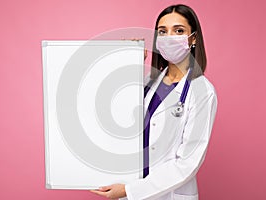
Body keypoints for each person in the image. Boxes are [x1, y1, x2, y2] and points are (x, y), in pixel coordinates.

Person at [90, 4, 217, 200]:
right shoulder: (151, 80)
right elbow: (117, 116)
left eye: (179, 30)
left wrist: (128, 191)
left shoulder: (202, 91)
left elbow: (187, 164)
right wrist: (130, 61)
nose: (170, 37)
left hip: (169, 194)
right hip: (133, 184)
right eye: (163, 32)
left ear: (193, 38)